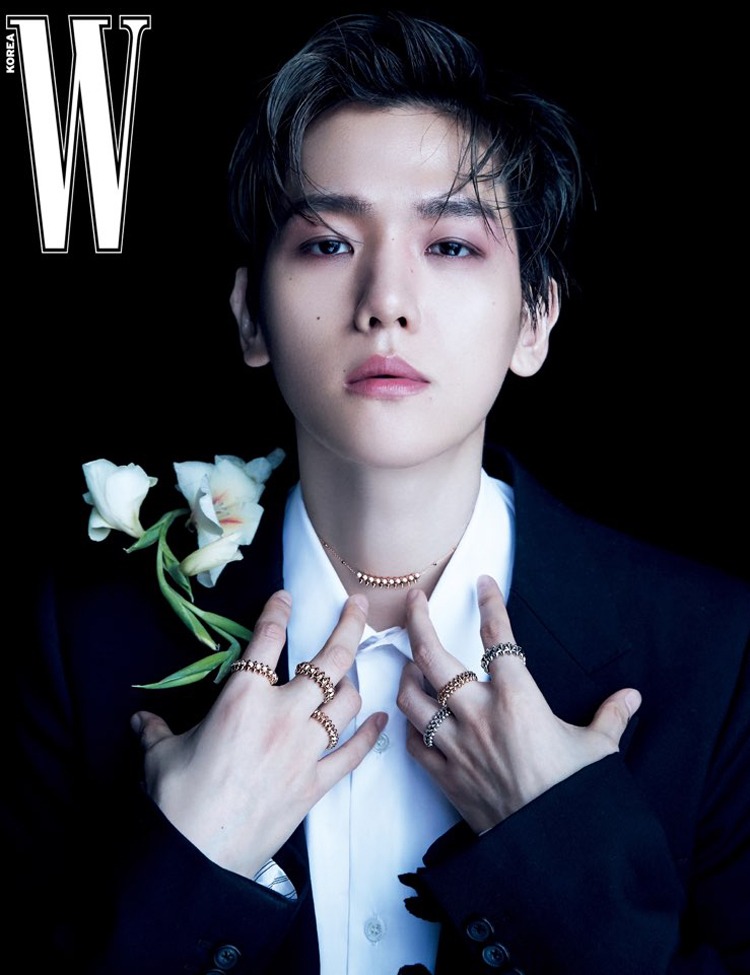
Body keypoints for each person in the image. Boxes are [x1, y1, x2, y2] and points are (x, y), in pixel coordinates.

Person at [10, 11, 748, 975]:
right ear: (250, 316)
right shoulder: (90, 640)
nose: (386, 300)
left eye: (452, 245)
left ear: (534, 320)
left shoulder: (708, 646)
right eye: (326, 243)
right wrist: (193, 861)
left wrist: (557, 854)